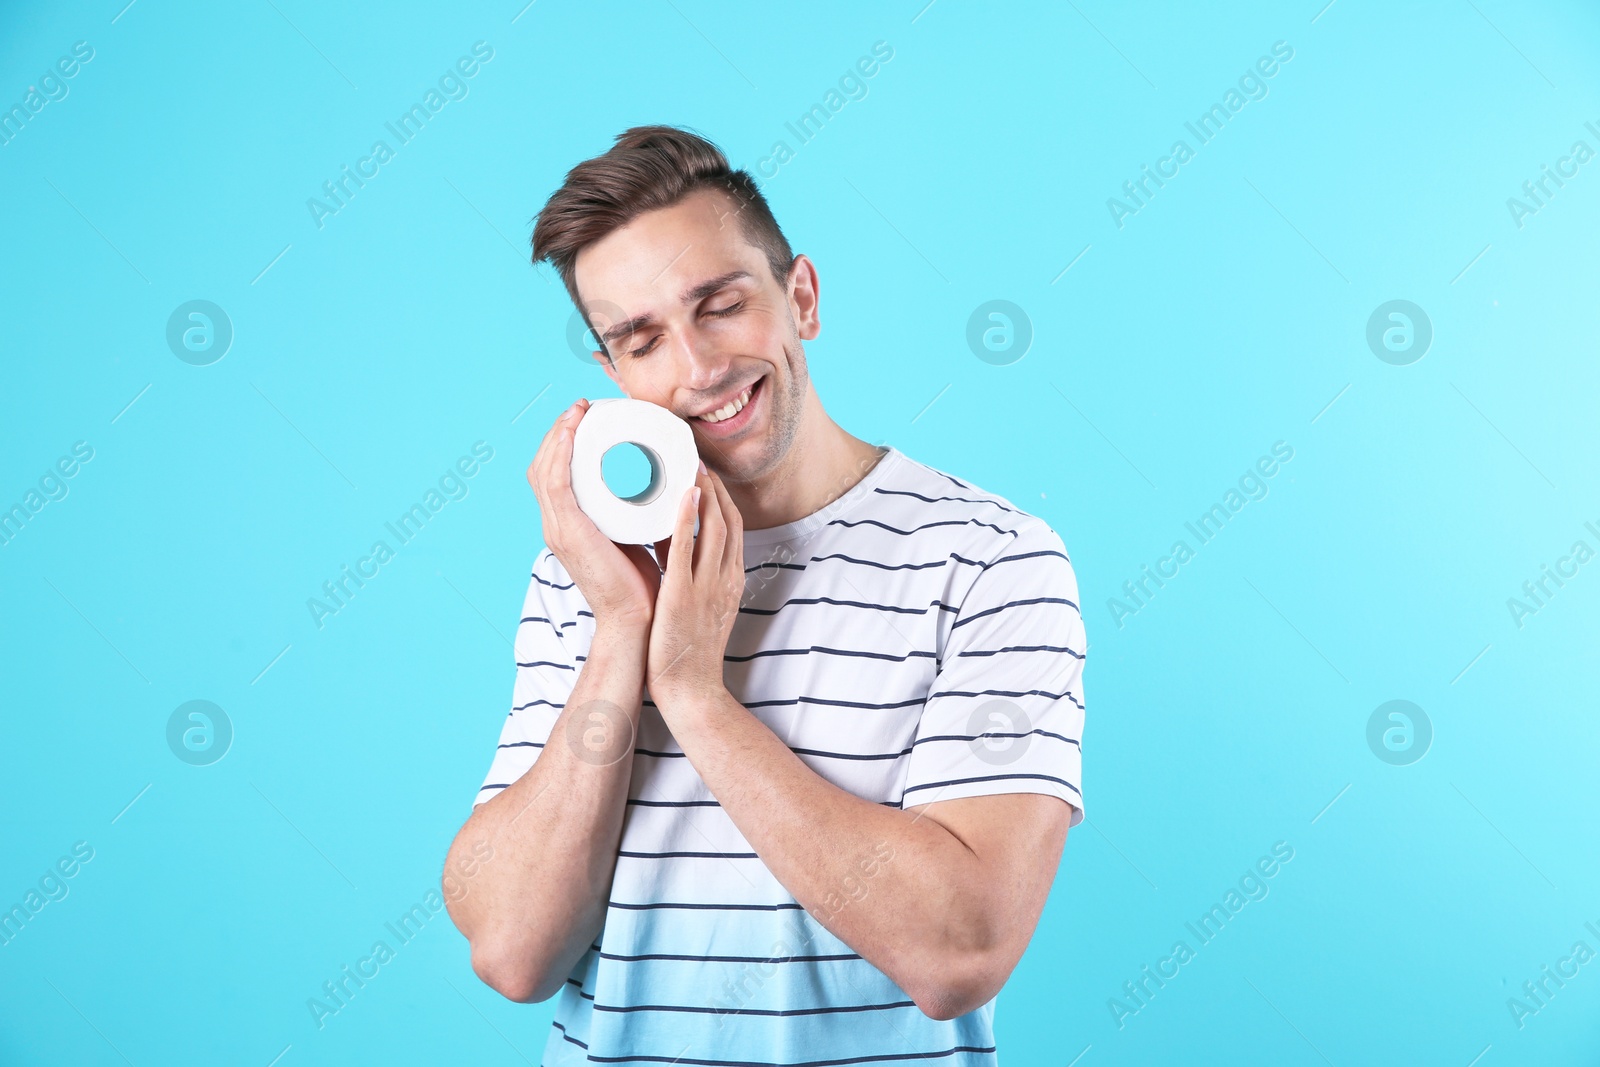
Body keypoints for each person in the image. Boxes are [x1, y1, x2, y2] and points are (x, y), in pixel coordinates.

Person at [442, 124, 1087, 1065]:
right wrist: (624, 629)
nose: (699, 368)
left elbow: (959, 950)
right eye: (643, 339)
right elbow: (510, 946)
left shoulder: (991, 559)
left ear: (802, 298)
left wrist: (696, 694)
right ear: (615, 377)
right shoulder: (580, 574)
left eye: (721, 304)